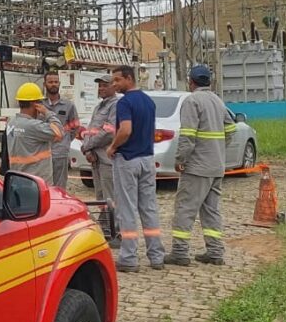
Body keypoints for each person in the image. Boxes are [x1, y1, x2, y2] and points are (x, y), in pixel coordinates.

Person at [165, 65, 231, 267]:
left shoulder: (192, 101)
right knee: (211, 210)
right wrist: (217, 148)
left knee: (185, 208)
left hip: (197, 167)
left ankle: (180, 252)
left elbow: (188, 136)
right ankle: (215, 251)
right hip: (216, 166)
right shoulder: (218, 101)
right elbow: (231, 129)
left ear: (191, 81)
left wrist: (180, 160)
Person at [106, 64, 163, 273]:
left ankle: (129, 257)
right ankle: (156, 255)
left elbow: (126, 129)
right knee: (149, 208)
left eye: (117, 80)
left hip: (127, 159)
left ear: (129, 79)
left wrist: (113, 147)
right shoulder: (148, 101)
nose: (114, 84)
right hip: (147, 159)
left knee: (127, 209)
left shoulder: (124, 103)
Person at [4, 82, 64, 182]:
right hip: (37, 183)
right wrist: (47, 113)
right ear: (34, 103)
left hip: (18, 178)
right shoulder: (33, 126)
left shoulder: (11, 122)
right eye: (39, 102)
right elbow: (59, 132)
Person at [80, 74, 119, 202]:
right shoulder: (98, 107)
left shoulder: (115, 105)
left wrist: (87, 146)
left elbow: (108, 132)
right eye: (99, 86)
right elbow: (90, 130)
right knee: (100, 196)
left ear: (114, 87)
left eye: (105, 86)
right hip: (95, 158)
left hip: (107, 159)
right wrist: (88, 150)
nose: (101, 88)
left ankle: (113, 222)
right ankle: (103, 222)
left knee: (110, 198)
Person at [41, 71, 79, 188]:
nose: (53, 84)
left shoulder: (68, 105)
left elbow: (75, 126)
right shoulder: (39, 105)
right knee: (43, 186)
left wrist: (65, 141)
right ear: (44, 84)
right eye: (50, 82)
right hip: (42, 153)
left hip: (60, 153)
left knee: (59, 187)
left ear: (59, 83)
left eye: (56, 82)